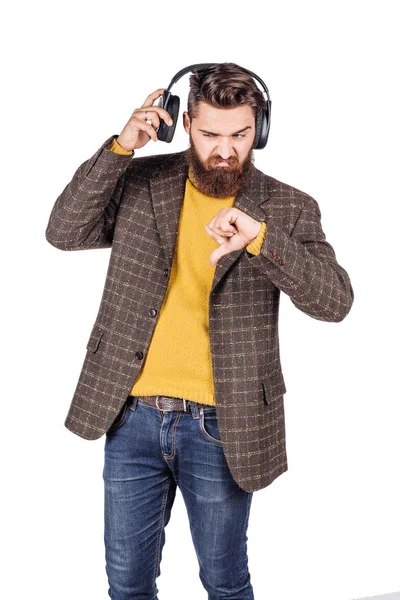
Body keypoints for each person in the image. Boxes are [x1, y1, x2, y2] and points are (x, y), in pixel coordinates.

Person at [45, 62, 354, 600]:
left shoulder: (288, 207)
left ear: (259, 128)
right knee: (126, 583)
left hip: (222, 425)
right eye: (211, 133)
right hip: (131, 415)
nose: (225, 150)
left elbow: (336, 301)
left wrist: (261, 239)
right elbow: (63, 231)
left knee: (225, 582)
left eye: (239, 135)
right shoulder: (142, 182)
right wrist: (121, 147)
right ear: (183, 122)